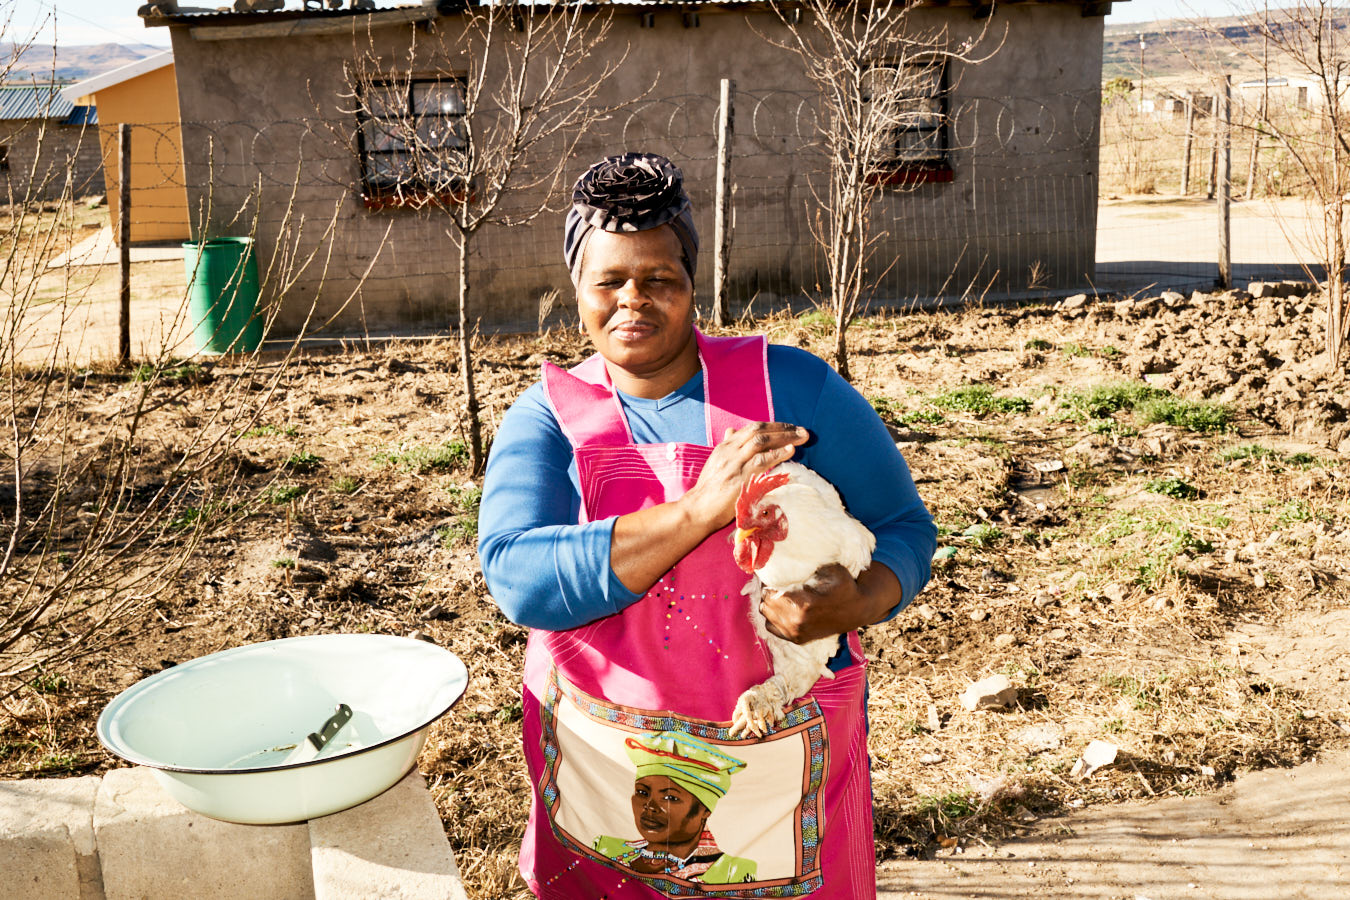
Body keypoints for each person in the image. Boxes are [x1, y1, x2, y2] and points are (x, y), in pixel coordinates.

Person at [478, 152, 936, 899]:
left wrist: (868, 597)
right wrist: (696, 511)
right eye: (610, 281)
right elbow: (519, 579)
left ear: (693, 284)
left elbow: (903, 525)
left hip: (779, 752)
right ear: (577, 290)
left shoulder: (790, 389)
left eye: (661, 277)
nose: (635, 300)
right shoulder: (548, 419)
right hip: (610, 766)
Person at [593, 731, 757, 884]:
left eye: (670, 797)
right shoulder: (606, 851)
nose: (649, 807)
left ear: (705, 810)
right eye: (642, 792)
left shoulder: (732, 873)